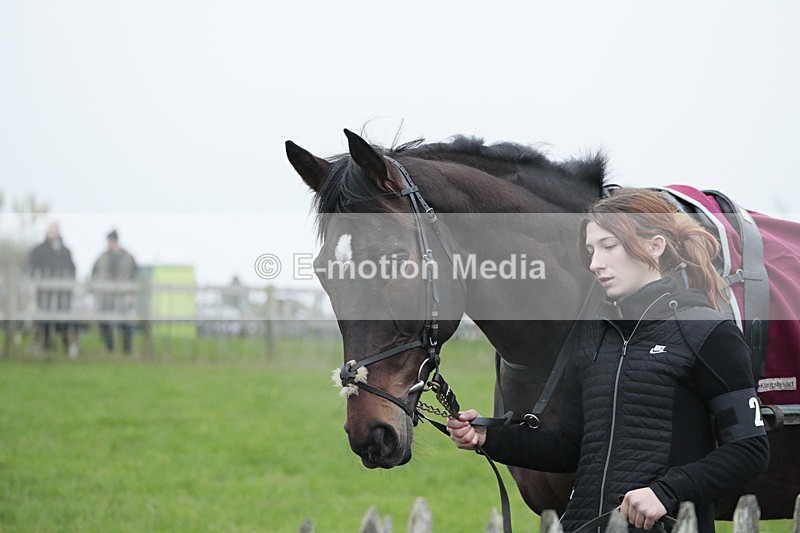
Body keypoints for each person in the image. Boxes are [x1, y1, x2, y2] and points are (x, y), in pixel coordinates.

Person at [447, 189, 769, 533]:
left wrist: (666, 492)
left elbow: (749, 449)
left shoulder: (708, 333)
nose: (594, 263)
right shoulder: (591, 335)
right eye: (591, 250)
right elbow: (569, 446)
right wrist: (490, 437)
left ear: (654, 246)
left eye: (608, 246)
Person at [27, 221, 80, 358]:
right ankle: (44, 346)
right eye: (51, 229)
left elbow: (72, 270)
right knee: (42, 321)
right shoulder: (38, 250)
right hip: (44, 295)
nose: (53, 232)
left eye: (56, 229)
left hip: (63, 296)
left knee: (65, 322)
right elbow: (32, 270)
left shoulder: (65, 251)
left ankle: (66, 346)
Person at [91, 229, 138, 354]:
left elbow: (135, 275)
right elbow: (94, 274)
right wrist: (95, 292)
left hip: (123, 296)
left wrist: (131, 293)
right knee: (105, 322)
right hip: (106, 296)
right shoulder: (102, 257)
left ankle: (126, 350)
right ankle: (110, 348)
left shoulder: (128, 257)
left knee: (125, 323)